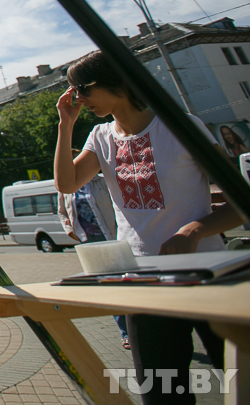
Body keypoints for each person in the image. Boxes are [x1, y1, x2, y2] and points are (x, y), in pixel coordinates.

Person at [54, 50, 245, 405]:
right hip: (141, 279)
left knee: (240, 374)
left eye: (81, 88)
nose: (76, 98)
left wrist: (193, 231)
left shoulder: (180, 126)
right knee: (161, 389)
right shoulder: (100, 137)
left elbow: (241, 203)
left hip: (207, 275)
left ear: (117, 82)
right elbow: (67, 183)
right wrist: (65, 126)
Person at [58, 175, 129, 349]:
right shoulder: (65, 186)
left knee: (126, 283)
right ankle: (126, 333)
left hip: (112, 237)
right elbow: (61, 211)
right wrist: (69, 229)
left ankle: (142, 325)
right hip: (88, 241)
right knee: (108, 286)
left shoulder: (102, 180)